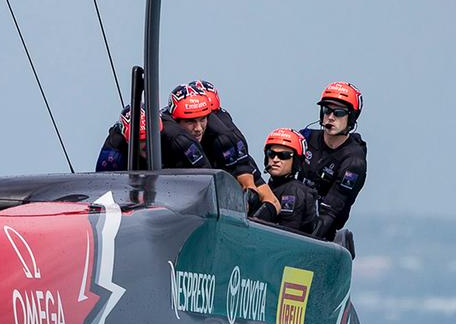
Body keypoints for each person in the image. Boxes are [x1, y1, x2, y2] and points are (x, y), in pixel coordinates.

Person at [191, 79, 280, 214]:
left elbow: (273, 202)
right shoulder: (177, 144)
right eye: (191, 119)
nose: (199, 128)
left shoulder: (233, 150)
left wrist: (250, 223)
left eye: (204, 118)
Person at [298, 81, 367, 239]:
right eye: (326, 110)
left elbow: (330, 212)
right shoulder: (305, 138)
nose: (330, 117)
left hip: (320, 232)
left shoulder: (353, 162)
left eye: (338, 113)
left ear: (351, 117)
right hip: (290, 214)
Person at [96, 104, 211, 171]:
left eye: (151, 136)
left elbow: (206, 174)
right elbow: (101, 189)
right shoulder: (114, 149)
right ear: (127, 140)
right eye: (141, 140)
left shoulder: (178, 139)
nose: (149, 143)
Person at [262, 128, 319, 235]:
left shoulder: (294, 192)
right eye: (271, 153)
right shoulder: (265, 187)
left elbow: (285, 236)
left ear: (296, 160)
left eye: (284, 155)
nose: (275, 159)